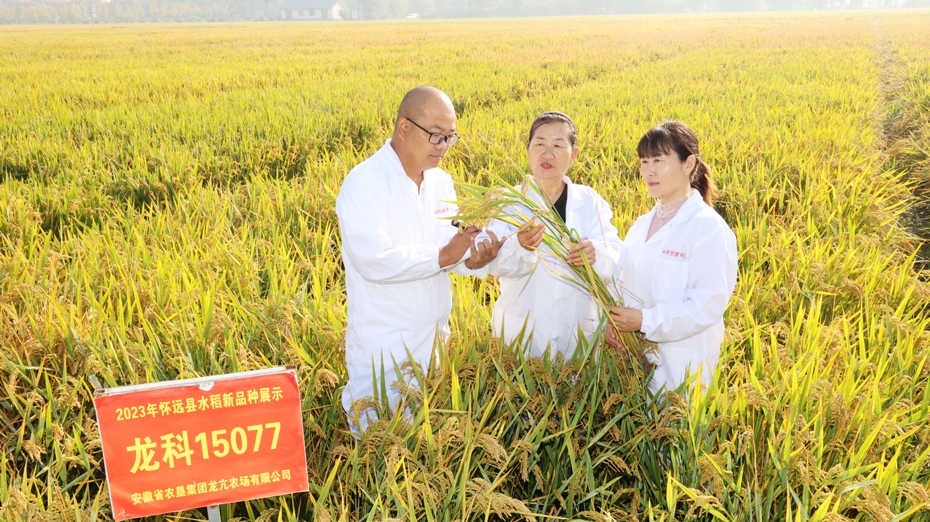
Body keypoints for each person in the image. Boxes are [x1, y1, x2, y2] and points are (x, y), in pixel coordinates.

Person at [336, 86, 505, 432]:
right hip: (384, 347)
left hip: (433, 343)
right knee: (378, 442)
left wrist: (472, 260)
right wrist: (444, 255)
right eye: (436, 135)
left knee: (425, 443)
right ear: (404, 127)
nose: (443, 146)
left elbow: (448, 252)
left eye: (450, 137)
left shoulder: (441, 183)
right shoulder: (365, 183)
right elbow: (374, 260)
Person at [607, 121, 738, 393]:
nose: (649, 171)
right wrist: (614, 322)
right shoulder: (641, 225)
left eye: (659, 160)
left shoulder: (709, 229)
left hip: (683, 369)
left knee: (676, 418)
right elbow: (623, 282)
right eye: (644, 162)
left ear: (688, 164)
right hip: (636, 364)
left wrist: (644, 321)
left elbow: (707, 305)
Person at [488, 111, 624, 359]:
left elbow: (615, 256)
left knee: (576, 381)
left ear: (574, 153)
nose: (547, 154)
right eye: (539, 144)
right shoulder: (508, 202)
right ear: (528, 149)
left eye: (558, 145)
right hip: (522, 330)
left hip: (577, 329)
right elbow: (494, 265)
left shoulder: (590, 201)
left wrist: (595, 253)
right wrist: (520, 246)